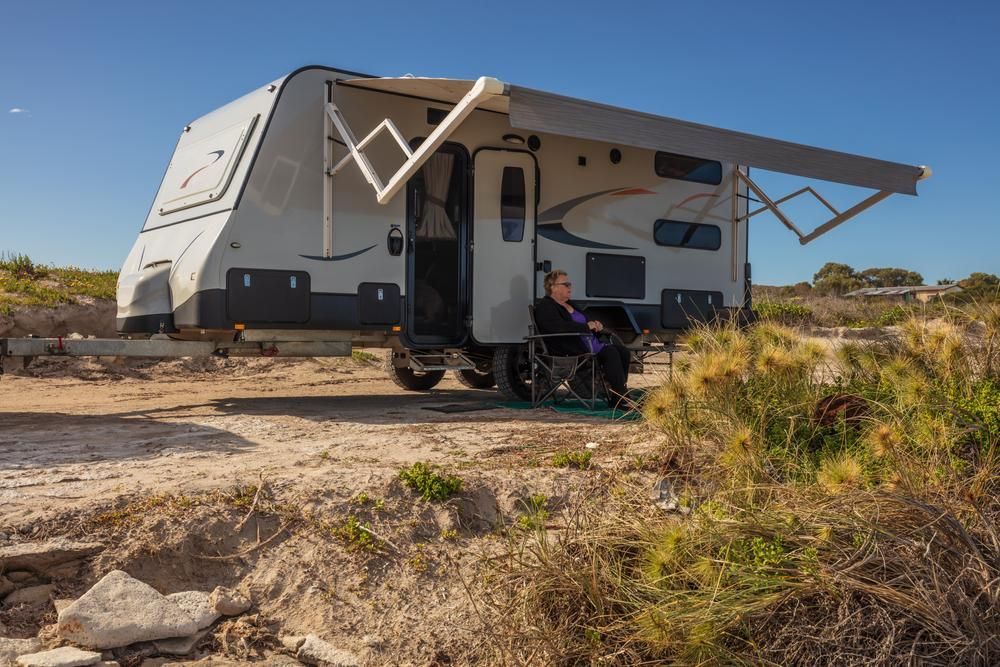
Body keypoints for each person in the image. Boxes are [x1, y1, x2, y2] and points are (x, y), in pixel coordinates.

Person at [533, 269, 630, 405]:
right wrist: (586, 327)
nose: (569, 287)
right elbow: (557, 328)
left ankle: (618, 395)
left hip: (588, 345)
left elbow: (585, 320)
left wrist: (596, 325)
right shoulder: (546, 307)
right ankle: (621, 399)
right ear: (553, 287)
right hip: (568, 350)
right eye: (566, 284)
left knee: (623, 352)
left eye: (570, 284)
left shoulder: (570, 304)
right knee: (611, 353)